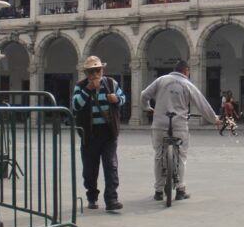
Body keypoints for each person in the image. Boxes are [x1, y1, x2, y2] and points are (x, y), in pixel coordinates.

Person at [140, 60, 221, 201]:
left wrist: (147, 107)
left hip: (159, 124)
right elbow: (202, 104)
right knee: (181, 156)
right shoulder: (187, 84)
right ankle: (180, 190)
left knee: (158, 156)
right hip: (179, 125)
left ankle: (158, 191)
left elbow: (144, 95)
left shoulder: (161, 80)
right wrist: (214, 120)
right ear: (186, 71)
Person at [72, 55, 126, 211]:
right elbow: (75, 105)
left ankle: (111, 199)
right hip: (89, 133)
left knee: (111, 166)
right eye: (91, 71)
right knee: (90, 168)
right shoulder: (80, 86)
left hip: (109, 132)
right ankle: (92, 197)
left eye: (97, 70)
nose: (95, 74)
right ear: (86, 73)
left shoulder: (111, 83)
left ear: (102, 70)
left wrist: (116, 99)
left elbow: (123, 98)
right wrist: (88, 90)